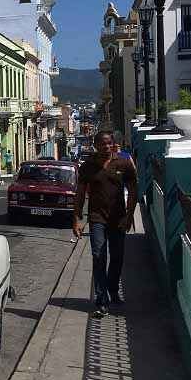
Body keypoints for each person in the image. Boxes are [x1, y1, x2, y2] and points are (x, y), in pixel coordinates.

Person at [73, 130, 138, 318]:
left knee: (117, 257)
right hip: (96, 218)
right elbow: (80, 192)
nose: (107, 147)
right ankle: (101, 300)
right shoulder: (88, 166)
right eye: (103, 144)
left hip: (118, 218)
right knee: (98, 255)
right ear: (95, 146)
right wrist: (76, 218)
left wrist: (129, 214)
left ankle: (112, 288)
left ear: (113, 144)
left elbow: (134, 189)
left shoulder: (123, 163)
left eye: (109, 143)